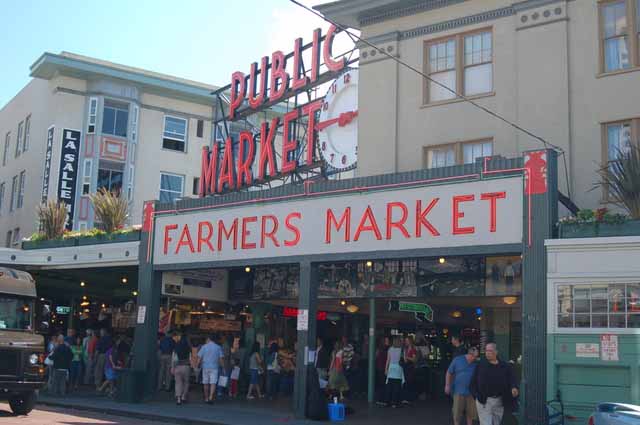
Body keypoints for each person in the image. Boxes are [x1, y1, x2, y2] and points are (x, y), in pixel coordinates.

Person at [470, 343, 519, 425]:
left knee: (497, 423)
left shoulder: (505, 366)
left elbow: (512, 379)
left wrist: (514, 387)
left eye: (490, 351)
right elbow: (472, 383)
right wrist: (477, 396)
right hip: (484, 401)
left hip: (499, 401)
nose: (487, 353)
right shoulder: (480, 365)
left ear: (496, 352)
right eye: (486, 350)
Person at [445, 347, 480, 425]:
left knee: (470, 413)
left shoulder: (475, 363)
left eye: (477, 356)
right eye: (475, 356)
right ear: (470, 354)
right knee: (457, 414)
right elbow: (449, 372)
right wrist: (447, 385)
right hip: (458, 392)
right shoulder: (457, 360)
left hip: (471, 392)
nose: (476, 358)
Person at [198, 334, 224, 404]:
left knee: (205, 383)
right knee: (213, 383)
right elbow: (221, 359)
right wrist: (223, 367)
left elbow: (199, 358)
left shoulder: (204, 347)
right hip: (215, 367)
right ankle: (210, 397)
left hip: (205, 367)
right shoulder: (218, 347)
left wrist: (198, 365)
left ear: (209, 339)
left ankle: (206, 398)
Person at [384, 337, 404, 408]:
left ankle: (387, 402)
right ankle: (394, 403)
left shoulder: (390, 349)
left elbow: (388, 360)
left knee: (389, 386)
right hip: (398, 369)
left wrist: (386, 369)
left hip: (391, 368)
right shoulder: (401, 350)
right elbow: (403, 359)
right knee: (396, 387)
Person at [172, 331, 191, 405]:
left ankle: (178, 399)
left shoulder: (176, 346)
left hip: (177, 367)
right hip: (186, 366)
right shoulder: (188, 346)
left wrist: (172, 367)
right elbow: (190, 358)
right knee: (186, 382)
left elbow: (174, 358)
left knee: (178, 383)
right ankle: (183, 397)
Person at [401, 336, 418, 404]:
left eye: (407, 341)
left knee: (409, 382)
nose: (406, 342)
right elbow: (405, 360)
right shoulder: (406, 349)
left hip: (410, 367)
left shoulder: (413, 349)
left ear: (410, 341)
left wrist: (407, 357)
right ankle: (406, 398)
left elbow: (414, 360)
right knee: (406, 382)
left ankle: (409, 398)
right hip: (406, 367)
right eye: (405, 341)